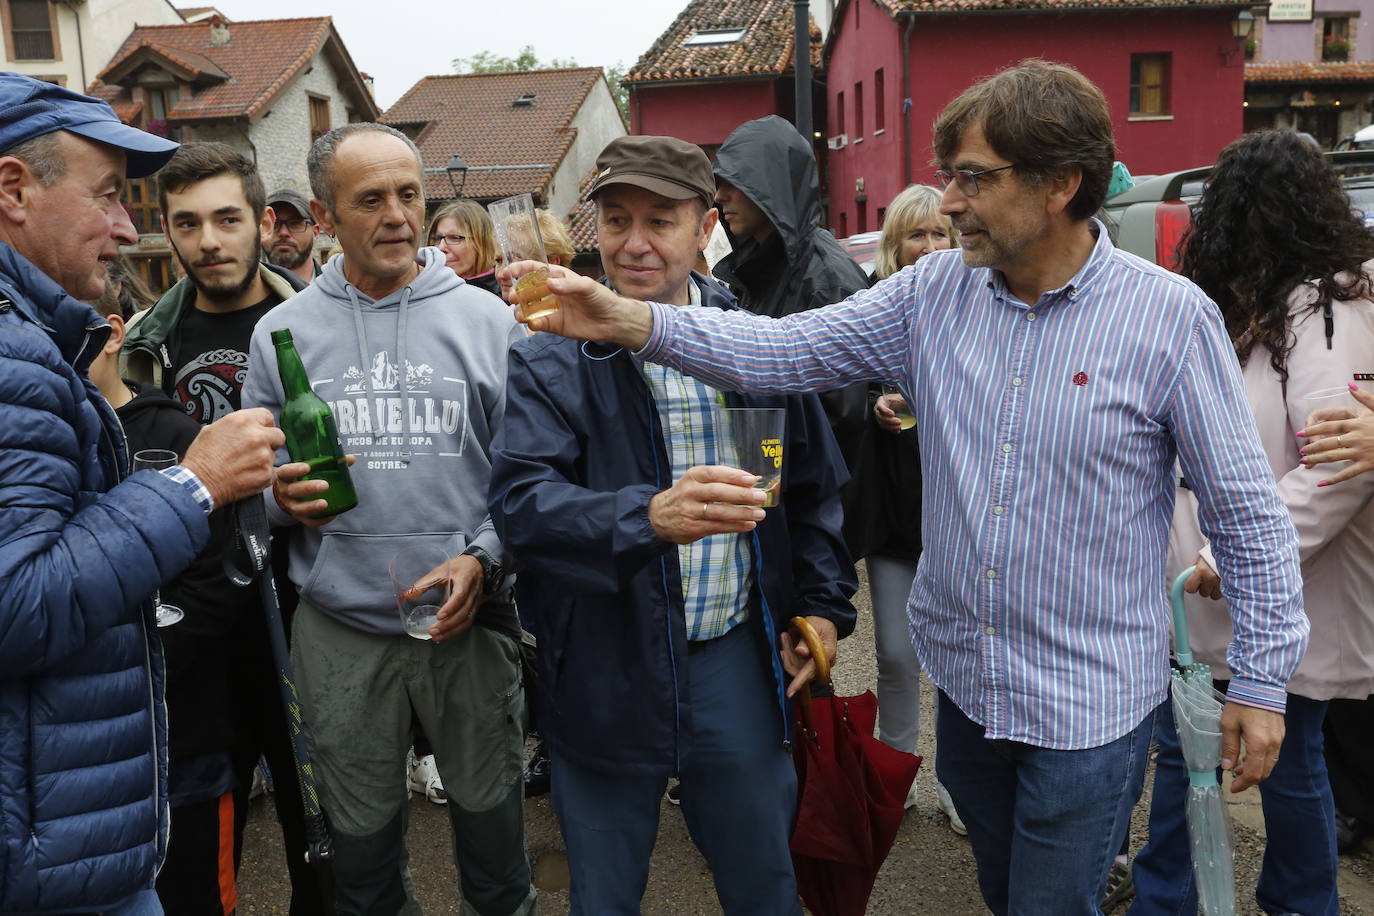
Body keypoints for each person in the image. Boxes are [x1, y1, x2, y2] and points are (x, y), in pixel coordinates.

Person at [504, 59, 1309, 916]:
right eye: (947, 175)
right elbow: (785, 353)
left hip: (1090, 705)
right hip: (968, 692)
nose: (948, 200)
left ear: (1058, 185)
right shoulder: (934, 292)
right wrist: (631, 320)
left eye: (973, 178)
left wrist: (1260, 685)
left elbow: (1248, 516)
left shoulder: (1168, 318)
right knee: (1007, 895)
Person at [488, 134, 857, 916]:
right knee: (606, 893)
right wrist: (646, 516)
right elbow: (521, 509)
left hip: (731, 654)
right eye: (617, 220)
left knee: (763, 881)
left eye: (661, 220)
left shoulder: (751, 340)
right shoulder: (551, 353)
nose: (635, 243)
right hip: (604, 659)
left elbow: (813, 492)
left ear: (705, 227)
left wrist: (823, 609)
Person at [0, 71, 281, 915]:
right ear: (15, 189)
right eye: (110, 198)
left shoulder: (34, 338)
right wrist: (195, 484)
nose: (130, 230)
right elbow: (18, 604)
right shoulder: (13, 357)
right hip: (53, 843)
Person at [242, 122, 536, 916]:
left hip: (463, 620)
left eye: (409, 194)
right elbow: (250, 486)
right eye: (371, 199)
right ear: (324, 215)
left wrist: (485, 557)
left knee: (495, 854)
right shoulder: (281, 334)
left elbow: (528, 474)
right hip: (338, 625)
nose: (398, 215)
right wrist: (277, 499)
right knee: (363, 866)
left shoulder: (487, 321)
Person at [1129, 129, 1374, 916]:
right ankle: (1167, 894)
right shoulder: (1254, 309)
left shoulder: (1328, 315)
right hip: (1210, 587)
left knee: (1288, 754)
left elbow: (1336, 469)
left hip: (1278, 589)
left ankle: (1300, 903)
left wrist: (1230, 555)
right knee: (1190, 748)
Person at [120, 141, 329, 916]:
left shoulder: (315, 322)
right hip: (196, 618)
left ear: (261, 220)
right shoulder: (141, 342)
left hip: (304, 601)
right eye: (187, 223)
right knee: (208, 829)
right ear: (168, 232)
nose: (208, 240)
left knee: (325, 821)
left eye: (227, 219)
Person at [89, 295, 245, 916]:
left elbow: (219, 579)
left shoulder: (181, 436)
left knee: (197, 897)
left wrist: (136, 659)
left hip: (187, 742)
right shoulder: (46, 439)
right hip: (93, 753)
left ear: (112, 334)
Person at [856, 184, 964, 831]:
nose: (927, 247)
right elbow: (840, 378)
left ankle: (957, 781)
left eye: (939, 234)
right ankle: (893, 775)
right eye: (914, 236)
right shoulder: (873, 309)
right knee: (896, 653)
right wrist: (872, 399)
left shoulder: (974, 308)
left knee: (953, 659)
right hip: (894, 514)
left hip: (958, 520)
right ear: (894, 245)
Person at [428, 198, 501, 296]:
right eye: (437, 238)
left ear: (482, 243)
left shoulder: (506, 296)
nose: (441, 248)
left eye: (454, 238)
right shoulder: (423, 294)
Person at [265, 187, 322, 285]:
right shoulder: (242, 296)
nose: (283, 233)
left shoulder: (340, 292)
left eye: (295, 224)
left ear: (315, 233)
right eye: (274, 224)